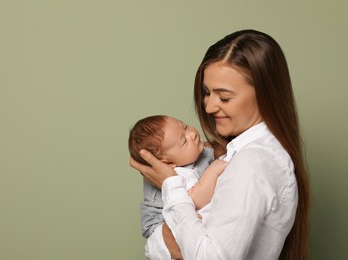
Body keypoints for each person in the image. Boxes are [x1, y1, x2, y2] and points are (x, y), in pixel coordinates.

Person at [130, 29, 310, 260]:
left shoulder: (252, 163)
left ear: (265, 94)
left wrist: (170, 184)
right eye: (206, 93)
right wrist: (163, 241)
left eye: (224, 97)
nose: (208, 107)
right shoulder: (233, 153)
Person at [129, 115, 227, 259]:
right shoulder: (179, 175)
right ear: (167, 162)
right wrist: (213, 171)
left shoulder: (196, 156)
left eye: (185, 126)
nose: (193, 134)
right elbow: (197, 199)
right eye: (184, 141)